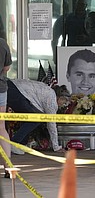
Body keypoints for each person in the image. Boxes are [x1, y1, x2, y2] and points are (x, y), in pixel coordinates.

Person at [7, 79, 70, 154]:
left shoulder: (48, 91)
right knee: (35, 119)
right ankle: (15, 143)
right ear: (60, 98)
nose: (64, 104)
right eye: (64, 101)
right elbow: (51, 124)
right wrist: (56, 147)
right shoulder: (52, 100)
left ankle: (20, 144)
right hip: (16, 91)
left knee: (27, 117)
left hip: (10, 86)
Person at [0, 38, 12, 178]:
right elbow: (7, 67)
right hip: (1, 90)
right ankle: (8, 167)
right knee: (1, 128)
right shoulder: (2, 43)